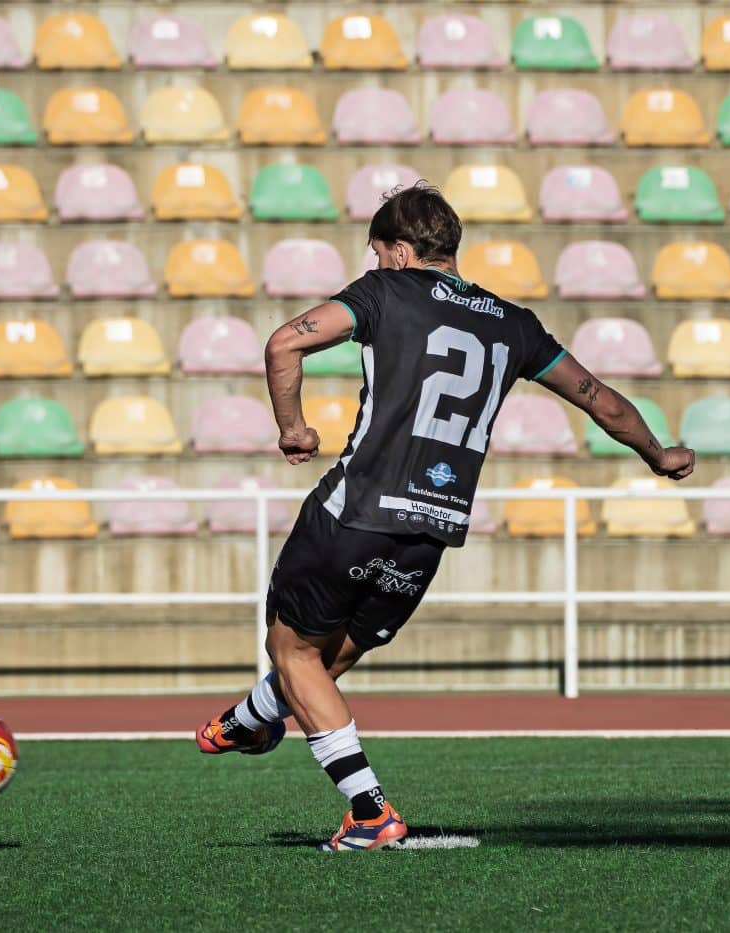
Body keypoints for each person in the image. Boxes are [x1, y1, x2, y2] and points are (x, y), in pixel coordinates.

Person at [196, 184, 696, 851]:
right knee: (323, 664)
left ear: (401, 250)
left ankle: (368, 809)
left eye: (378, 252)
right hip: (433, 528)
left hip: (358, 508)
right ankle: (248, 720)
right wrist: (657, 452)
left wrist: (293, 429)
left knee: (291, 650)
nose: (376, 264)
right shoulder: (512, 322)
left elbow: (285, 342)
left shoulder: (385, 292)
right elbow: (600, 400)